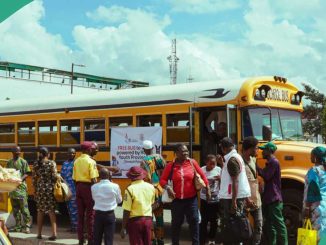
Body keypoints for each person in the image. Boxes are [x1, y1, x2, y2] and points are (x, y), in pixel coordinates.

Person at [160, 144, 209, 245]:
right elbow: (162, 180)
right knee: (176, 225)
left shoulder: (192, 163)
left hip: (191, 200)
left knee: (194, 223)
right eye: (183, 151)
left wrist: (207, 188)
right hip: (176, 201)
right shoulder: (170, 166)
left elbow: (203, 176)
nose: (186, 153)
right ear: (176, 154)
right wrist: (168, 188)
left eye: (187, 151)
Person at [218, 137, 251, 245]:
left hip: (231, 197)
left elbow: (235, 181)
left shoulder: (232, 160)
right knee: (233, 224)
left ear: (224, 148)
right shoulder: (235, 157)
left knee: (233, 225)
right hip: (233, 196)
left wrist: (234, 201)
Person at [256, 142, 287, 245]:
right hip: (268, 198)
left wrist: (254, 166)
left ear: (269, 151)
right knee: (269, 224)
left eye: (264, 150)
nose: (262, 152)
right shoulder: (269, 163)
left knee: (278, 224)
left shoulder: (274, 162)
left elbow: (267, 175)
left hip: (274, 198)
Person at [73, 141, 99, 245]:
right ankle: (91, 240)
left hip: (78, 186)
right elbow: (93, 179)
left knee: (80, 215)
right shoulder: (91, 162)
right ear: (88, 150)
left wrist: (78, 189)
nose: (94, 150)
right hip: (88, 188)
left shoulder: (77, 161)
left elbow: (74, 178)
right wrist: (96, 192)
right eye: (92, 149)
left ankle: (80, 239)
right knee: (90, 215)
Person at [120, 166, 155, 245]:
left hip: (135, 222)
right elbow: (152, 204)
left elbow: (126, 210)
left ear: (131, 177)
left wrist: (123, 227)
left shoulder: (129, 189)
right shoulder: (151, 187)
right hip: (148, 221)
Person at [140, 140, 166, 245]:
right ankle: (161, 239)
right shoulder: (159, 158)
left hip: (149, 191)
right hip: (159, 189)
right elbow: (163, 172)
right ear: (152, 149)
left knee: (149, 216)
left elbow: (144, 178)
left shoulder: (144, 161)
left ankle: (152, 240)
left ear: (143, 150)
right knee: (159, 216)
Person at [32, 147, 58, 241]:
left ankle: (39, 234)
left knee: (40, 210)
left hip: (40, 189)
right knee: (51, 211)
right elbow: (54, 176)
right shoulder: (51, 163)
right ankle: (54, 233)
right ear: (48, 154)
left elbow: (34, 178)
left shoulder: (36, 163)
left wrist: (35, 190)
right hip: (49, 189)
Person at [91, 168, 122, 245]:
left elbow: (94, 199)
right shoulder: (115, 186)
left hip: (98, 215)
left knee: (97, 239)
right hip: (110, 215)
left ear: (99, 176)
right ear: (109, 175)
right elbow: (119, 201)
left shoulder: (94, 187)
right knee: (109, 240)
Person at [242, 137, 263, 245]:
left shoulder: (253, 160)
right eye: (256, 148)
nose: (258, 150)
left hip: (256, 198)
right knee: (245, 227)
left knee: (259, 224)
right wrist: (247, 199)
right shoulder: (240, 162)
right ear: (250, 149)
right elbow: (239, 184)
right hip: (245, 200)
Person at [303, 146, 326, 243]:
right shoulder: (324, 169)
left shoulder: (314, 170)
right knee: (323, 232)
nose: (310, 157)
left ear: (316, 157)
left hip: (316, 208)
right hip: (324, 206)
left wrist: (307, 208)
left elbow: (313, 189)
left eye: (311, 155)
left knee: (314, 236)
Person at [7, 146, 31, 234]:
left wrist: (20, 179)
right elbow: (7, 172)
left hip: (21, 189)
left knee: (24, 209)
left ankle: (27, 226)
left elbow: (27, 172)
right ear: (12, 152)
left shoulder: (23, 162)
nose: (18, 152)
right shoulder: (9, 162)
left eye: (19, 151)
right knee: (15, 209)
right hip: (12, 189)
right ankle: (18, 227)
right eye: (17, 151)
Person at [199, 154, 221, 245]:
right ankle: (202, 240)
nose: (213, 165)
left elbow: (224, 182)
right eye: (211, 163)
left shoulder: (219, 170)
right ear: (206, 162)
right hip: (204, 199)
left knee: (214, 220)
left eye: (214, 163)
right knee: (203, 220)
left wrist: (220, 179)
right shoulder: (201, 170)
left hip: (215, 200)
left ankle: (212, 238)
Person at [60, 148, 78, 232]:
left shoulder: (77, 163)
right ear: (67, 154)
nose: (72, 155)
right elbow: (62, 176)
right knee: (69, 209)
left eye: (73, 153)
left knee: (75, 208)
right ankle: (73, 226)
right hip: (66, 188)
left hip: (74, 188)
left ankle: (76, 227)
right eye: (70, 153)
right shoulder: (65, 163)